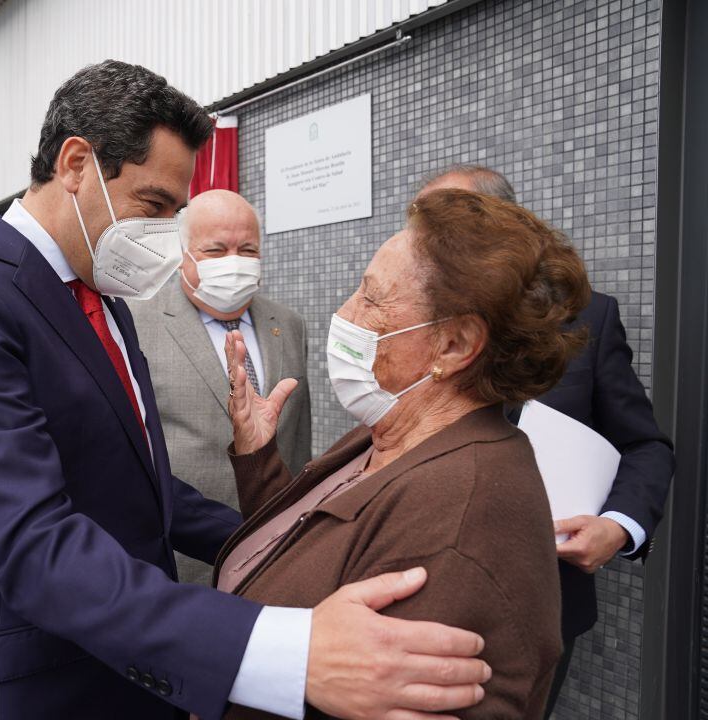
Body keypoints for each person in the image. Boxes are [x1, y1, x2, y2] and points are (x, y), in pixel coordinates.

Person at [0, 60, 490, 720]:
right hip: (41, 690)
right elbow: (34, 543)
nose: (164, 235)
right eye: (153, 205)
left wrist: (287, 546)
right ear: (76, 164)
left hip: (138, 678)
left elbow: (141, 485)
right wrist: (285, 651)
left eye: (175, 212)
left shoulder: (105, 300)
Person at [219, 188, 589, 718]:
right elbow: (311, 556)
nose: (344, 312)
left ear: (454, 346)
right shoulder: (392, 431)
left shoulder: (460, 517)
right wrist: (258, 455)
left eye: (371, 298)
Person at [417, 164, 676, 714]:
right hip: (421, 581)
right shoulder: (406, 321)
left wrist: (617, 527)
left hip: (543, 598)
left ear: (508, 223)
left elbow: (645, 446)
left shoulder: (586, 318)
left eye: (447, 223)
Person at [129, 189, 311, 585]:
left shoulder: (289, 324)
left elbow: (298, 440)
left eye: (247, 249)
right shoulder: (136, 323)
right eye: (215, 250)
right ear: (183, 252)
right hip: (182, 563)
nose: (234, 262)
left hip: (280, 550)